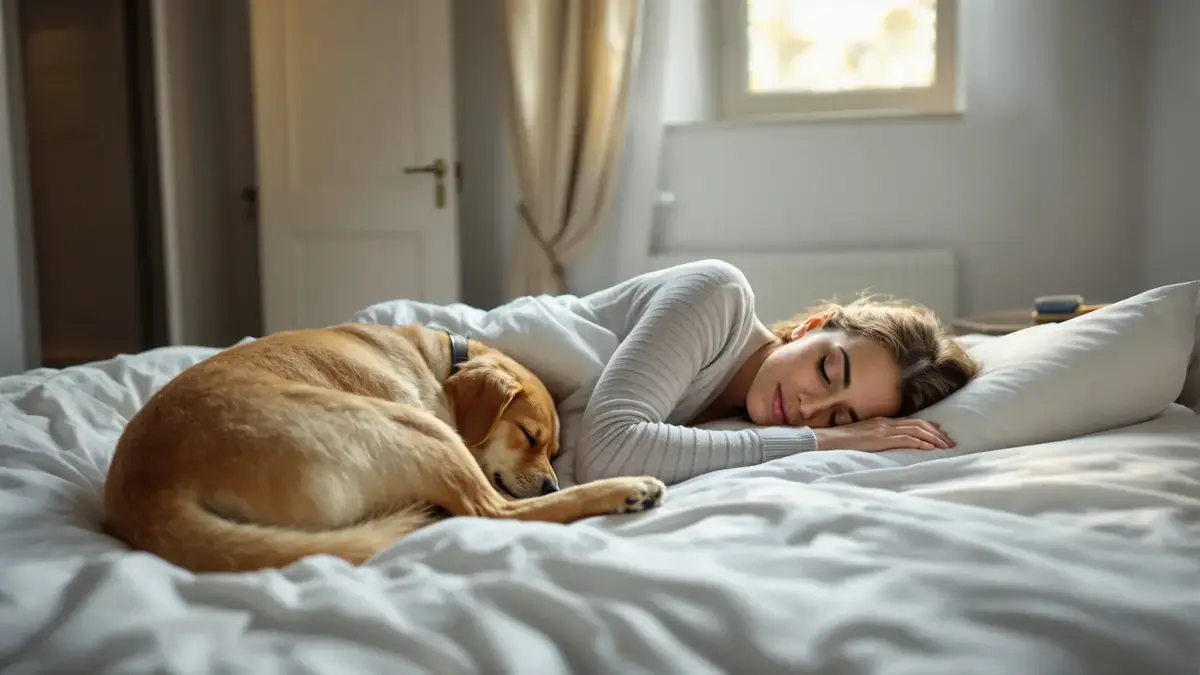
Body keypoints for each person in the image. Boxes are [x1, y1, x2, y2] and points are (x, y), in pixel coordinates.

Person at [573, 259, 979, 485]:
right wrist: (823, 439)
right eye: (826, 372)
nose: (810, 409)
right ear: (811, 326)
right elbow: (606, 453)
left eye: (839, 417)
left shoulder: (738, 423)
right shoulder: (719, 297)